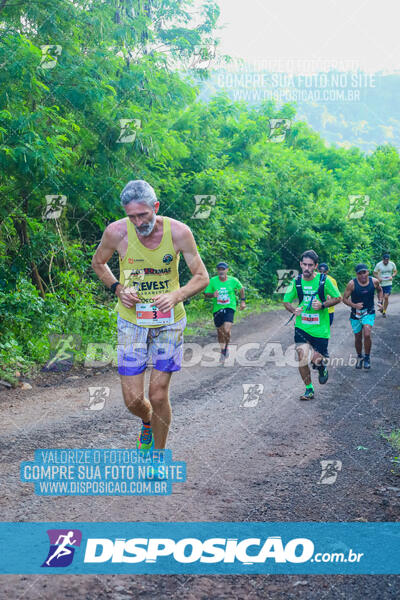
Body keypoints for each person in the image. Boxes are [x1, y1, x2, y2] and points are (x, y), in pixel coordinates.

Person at [92, 180, 209, 451]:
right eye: (131, 215)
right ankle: (147, 421)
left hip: (169, 320)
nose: (137, 221)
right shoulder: (116, 232)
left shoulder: (179, 232)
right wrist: (117, 288)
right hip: (132, 320)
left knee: (157, 395)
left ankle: (158, 454)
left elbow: (202, 277)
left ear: (156, 207)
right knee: (133, 400)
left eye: (143, 214)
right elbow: (98, 263)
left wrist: (176, 295)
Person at [283, 250, 341, 401]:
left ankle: (321, 368)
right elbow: (286, 301)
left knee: (316, 360)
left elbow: (338, 298)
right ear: (300, 264)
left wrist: (322, 305)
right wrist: (293, 310)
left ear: (315, 266)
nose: (307, 268)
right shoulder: (295, 281)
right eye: (304, 265)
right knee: (302, 357)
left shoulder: (324, 280)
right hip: (302, 326)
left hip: (320, 329)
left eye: (310, 265)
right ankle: (309, 389)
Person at [342, 264, 383, 370]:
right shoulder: (352, 284)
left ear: (368, 272)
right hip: (355, 314)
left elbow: (380, 290)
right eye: (359, 273)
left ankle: (367, 358)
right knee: (358, 337)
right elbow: (344, 299)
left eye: (364, 272)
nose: (362, 275)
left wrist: (380, 301)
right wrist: (354, 305)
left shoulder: (374, 281)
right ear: (356, 274)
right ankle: (360, 357)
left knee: (367, 334)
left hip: (369, 312)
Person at [204, 262, 245, 362]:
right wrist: (212, 295)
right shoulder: (213, 281)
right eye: (219, 269)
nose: (221, 271)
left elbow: (241, 288)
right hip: (217, 309)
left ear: (227, 270)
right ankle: (223, 350)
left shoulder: (233, 280)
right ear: (217, 271)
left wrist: (243, 301)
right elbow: (205, 293)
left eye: (223, 269)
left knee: (226, 330)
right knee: (220, 331)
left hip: (229, 307)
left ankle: (226, 347)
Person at [373, 253, 397, 318]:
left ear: (389, 259)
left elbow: (395, 271)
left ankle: (384, 311)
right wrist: (378, 278)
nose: (386, 261)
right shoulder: (379, 264)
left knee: (386, 297)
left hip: (388, 283)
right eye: (385, 260)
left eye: (387, 260)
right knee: (380, 299)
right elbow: (374, 273)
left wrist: (392, 276)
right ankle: (382, 308)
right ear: (382, 259)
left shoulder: (392, 264)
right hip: (380, 283)